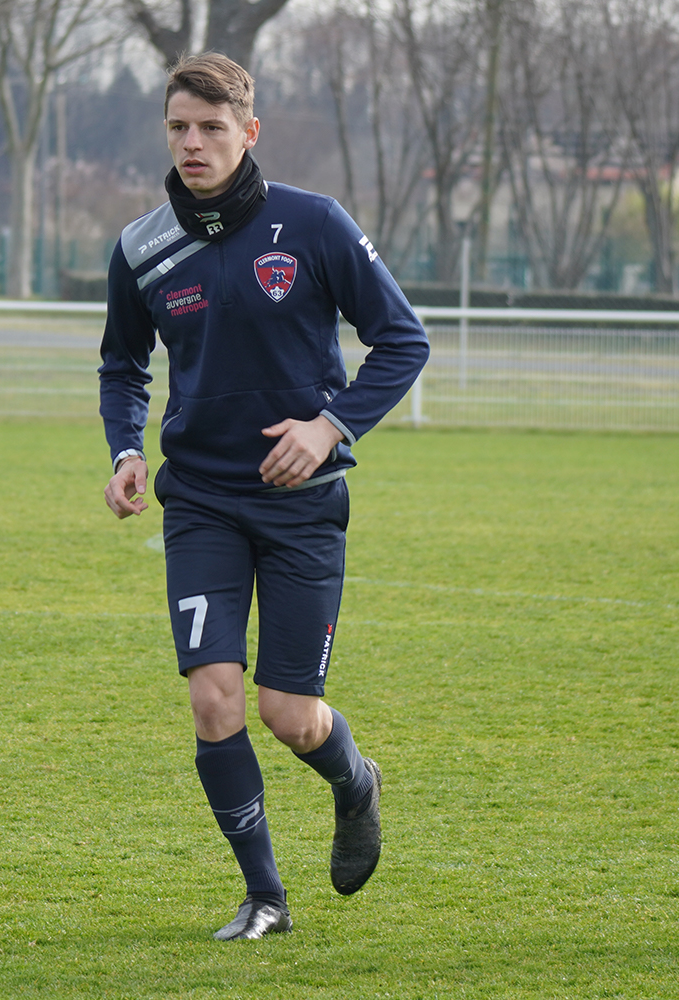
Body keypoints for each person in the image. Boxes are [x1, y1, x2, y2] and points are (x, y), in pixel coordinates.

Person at [98, 53, 429, 941]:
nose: (192, 143)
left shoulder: (313, 224)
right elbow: (122, 365)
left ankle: (356, 782)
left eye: (211, 128)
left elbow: (403, 339)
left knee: (289, 716)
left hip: (302, 505)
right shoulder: (141, 248)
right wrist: (126, 449)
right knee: (213, 700)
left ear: (249, 132)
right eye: (178, 127)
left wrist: (330, 427)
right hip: (200, 501)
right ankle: (265, 898)